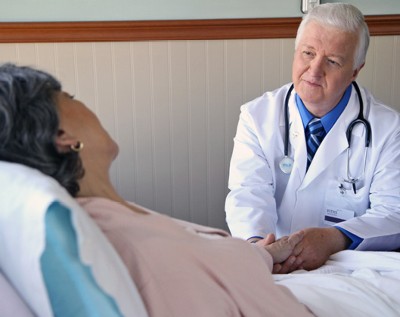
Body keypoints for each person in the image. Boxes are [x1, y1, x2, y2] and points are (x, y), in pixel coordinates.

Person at [0, 63, 315, 316]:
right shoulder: (139, 253)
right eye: (68, 98)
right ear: (63, 135)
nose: (80, 102)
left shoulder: (113, 215)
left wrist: (263, 255)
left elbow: (208, 262)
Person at [225, 2, 400, 273]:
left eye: (332, 61)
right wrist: (261, 248)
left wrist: (333, 238)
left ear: (355, 71)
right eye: (308, 53)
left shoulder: (388, 128)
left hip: (351, 267)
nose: (314, 70)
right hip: (275, 263)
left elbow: (393, 213)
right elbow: (248, 193)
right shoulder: (257, 116)